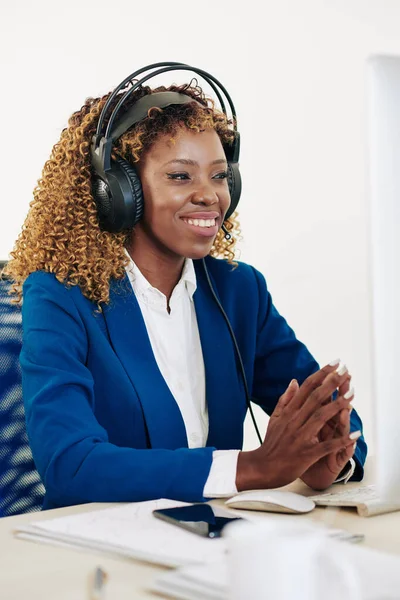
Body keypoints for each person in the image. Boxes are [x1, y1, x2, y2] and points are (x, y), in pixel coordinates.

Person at [3, 64, 367, 510]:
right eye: (180, 176)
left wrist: (327, 458)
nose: (209, 195)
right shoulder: (61, 296)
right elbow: (71, 464)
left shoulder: (240, 291)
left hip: (214, 543)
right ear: (119, 191)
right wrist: (252, 467)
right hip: (99, 548)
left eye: (219, 175)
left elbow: (328, 419)